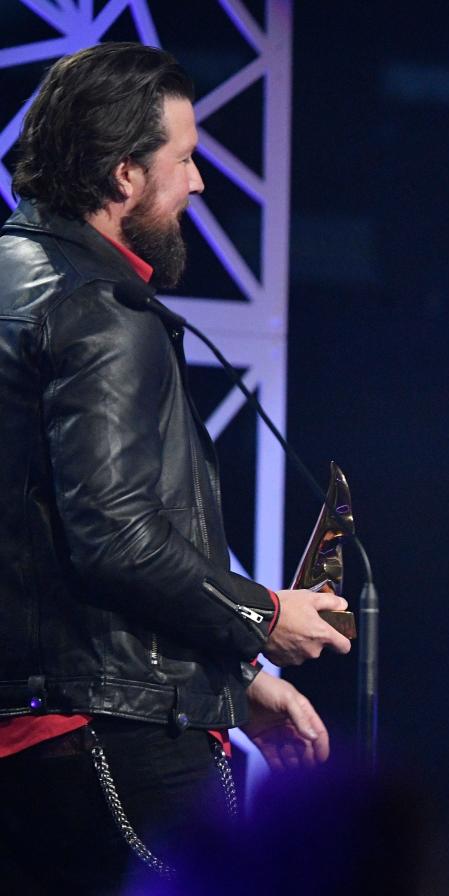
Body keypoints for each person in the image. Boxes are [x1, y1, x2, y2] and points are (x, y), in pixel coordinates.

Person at [0, 42, 351, 893]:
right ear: (124, 175)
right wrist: (261, 616)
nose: (198, 184)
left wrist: (233, 677)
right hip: (114, 741)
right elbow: (114, 534)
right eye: (184, 160)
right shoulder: (101, 309)